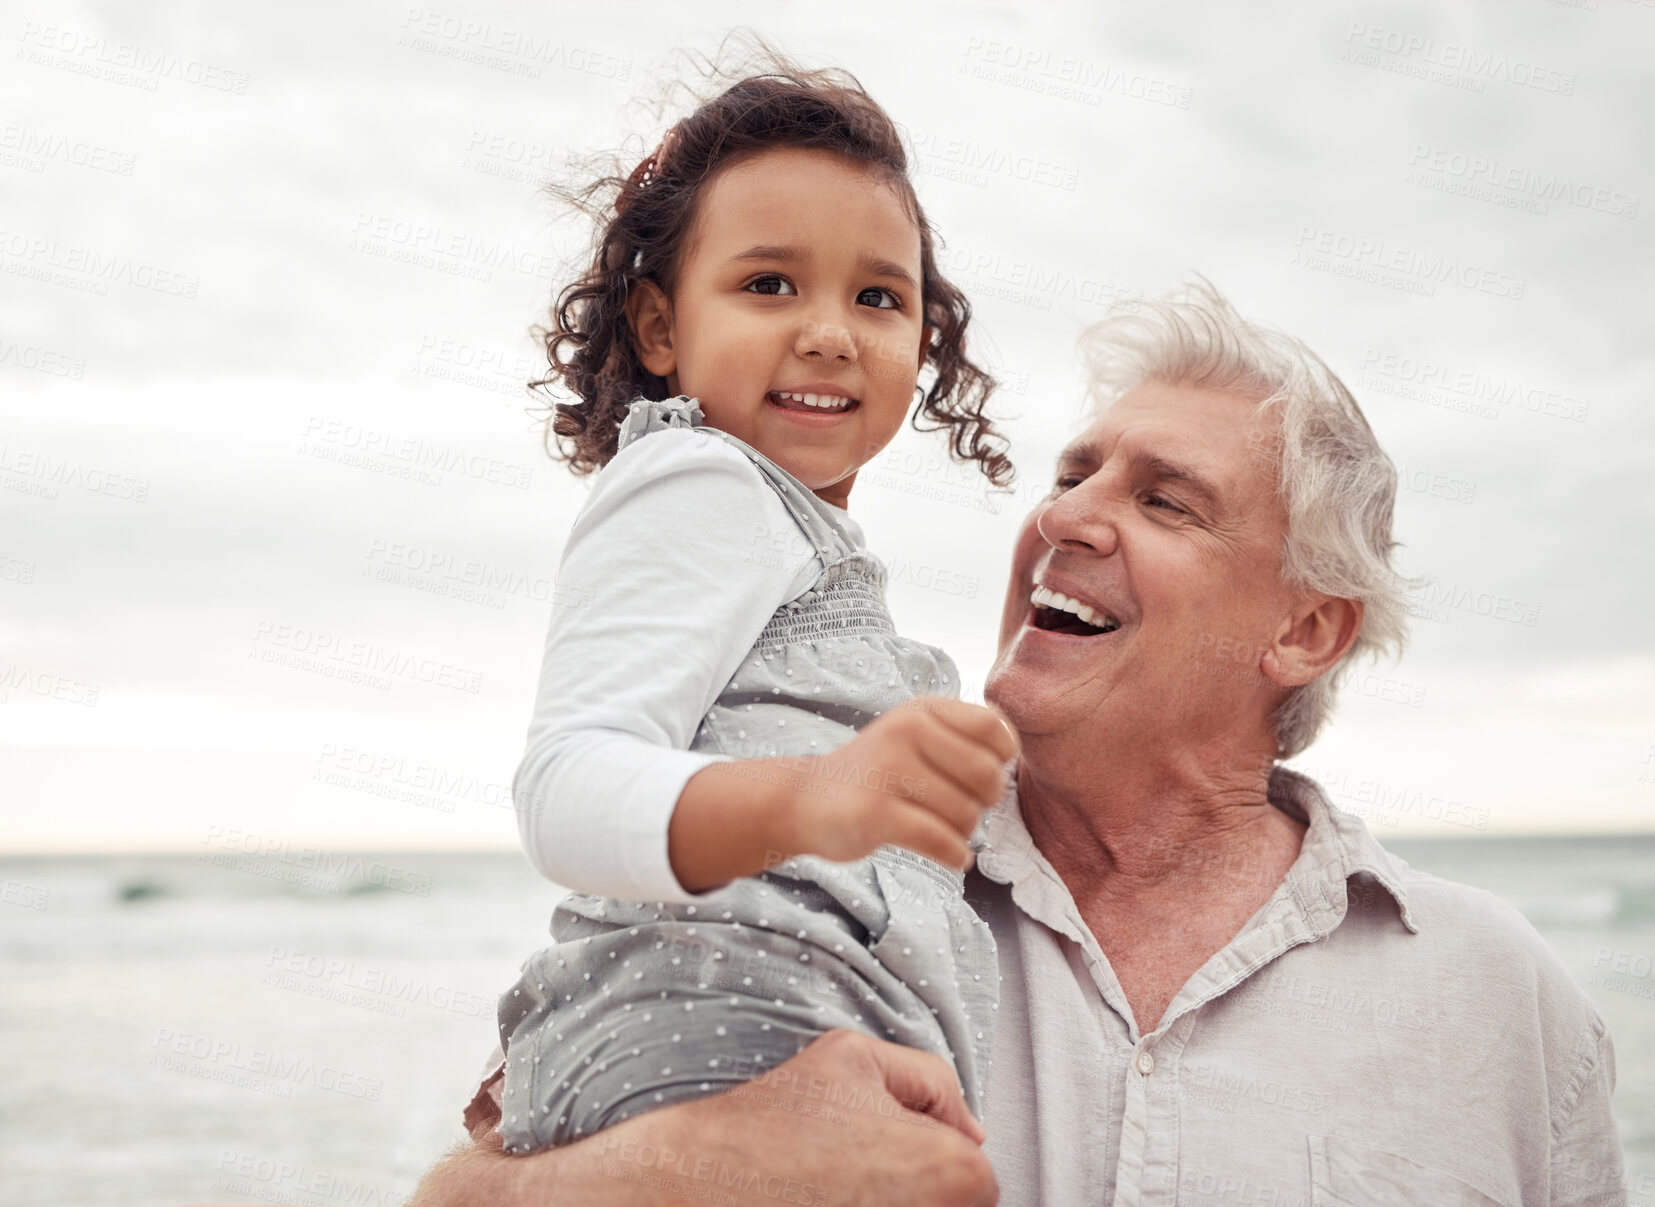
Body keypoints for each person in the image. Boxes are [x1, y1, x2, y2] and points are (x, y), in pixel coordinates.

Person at [417, 283, 1628, 1205]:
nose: (1061, 515)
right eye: (1071, 473)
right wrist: (695, 1158)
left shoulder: (1495, 999)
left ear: (1304, 630)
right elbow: (456, 1192)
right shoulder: (797, 874)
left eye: (1162, 499)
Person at [477, 57, 1023, 1158]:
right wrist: (812, 798)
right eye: (768, 283)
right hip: (709, 1041)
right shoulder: (703, 483)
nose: (828, 330)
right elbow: (565, 786)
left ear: (923, 343)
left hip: (764, 1043)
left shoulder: (783, 537)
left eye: (877, 295)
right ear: (659, 327)